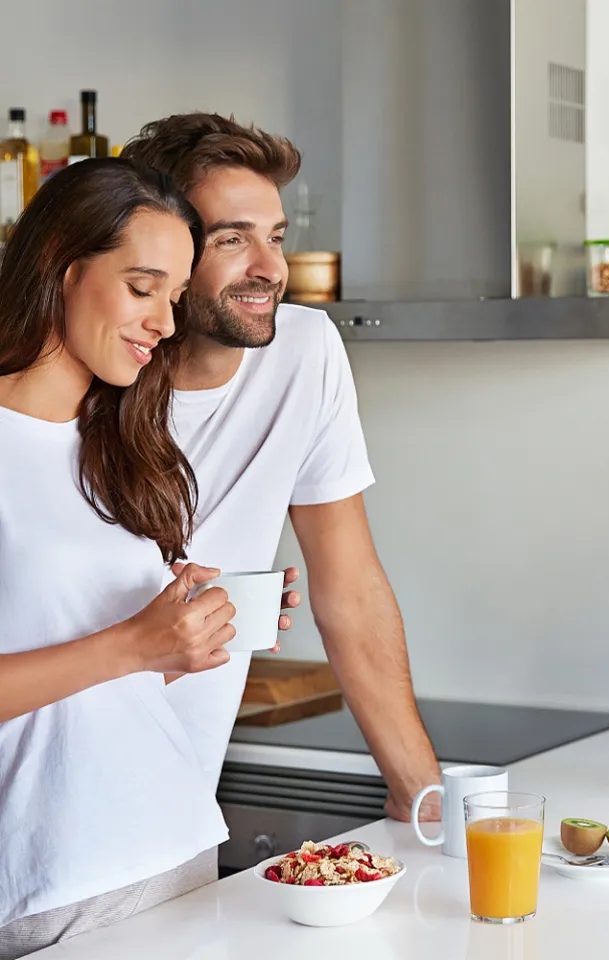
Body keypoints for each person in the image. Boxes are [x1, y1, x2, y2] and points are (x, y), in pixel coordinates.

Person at [122, 116, 443, 820]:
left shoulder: (306, 350)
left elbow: (350, 587)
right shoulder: (85, 370)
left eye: (275, 236)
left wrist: (420, 798)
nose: (269, 268)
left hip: (179, 806)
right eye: (232, 239)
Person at [0, 159, 238, 955]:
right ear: (62, 267)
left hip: (179, 849)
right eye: (144, 289)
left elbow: (100, 683)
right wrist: (132, 644)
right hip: (56, 885)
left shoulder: (121, 450)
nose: (166, 324)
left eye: (174, 298)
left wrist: (178, 637)